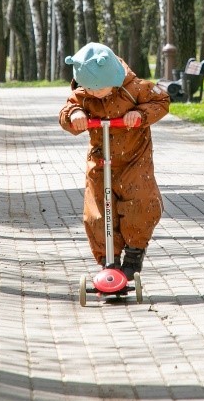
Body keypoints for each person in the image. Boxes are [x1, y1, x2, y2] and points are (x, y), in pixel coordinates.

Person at [58, 42, 171, 280]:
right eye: (91, 90)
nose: (96, 94)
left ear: (113, 77)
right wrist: (76, 115)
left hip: (135, 159)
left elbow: (162, 102)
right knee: (97, 212)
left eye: (101, 90)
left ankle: (134, 252)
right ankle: (108, 260)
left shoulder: (136, 88)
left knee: (140, 202)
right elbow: (68, 109)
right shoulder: (84, 93)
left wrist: (139, 114)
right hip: (101, 160)